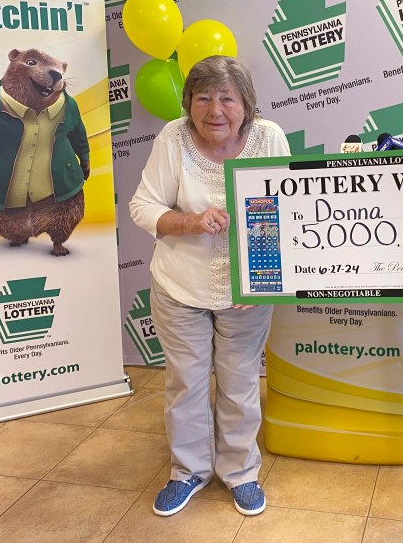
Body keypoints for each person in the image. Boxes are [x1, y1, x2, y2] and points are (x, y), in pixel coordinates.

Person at [130, 55, 290, 518]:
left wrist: (258, 283)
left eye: (227, 98)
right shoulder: (173, 138)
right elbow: (143, 207)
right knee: (186, 382)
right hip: (180, 287)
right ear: (188, 103)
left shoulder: (269, 138)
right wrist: (190, 221)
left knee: (240, 382)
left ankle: (240, 471)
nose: (214, 110)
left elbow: (283, 215)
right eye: (203, 98)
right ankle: (189, 472)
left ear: (247, 105)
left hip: (247, 294)